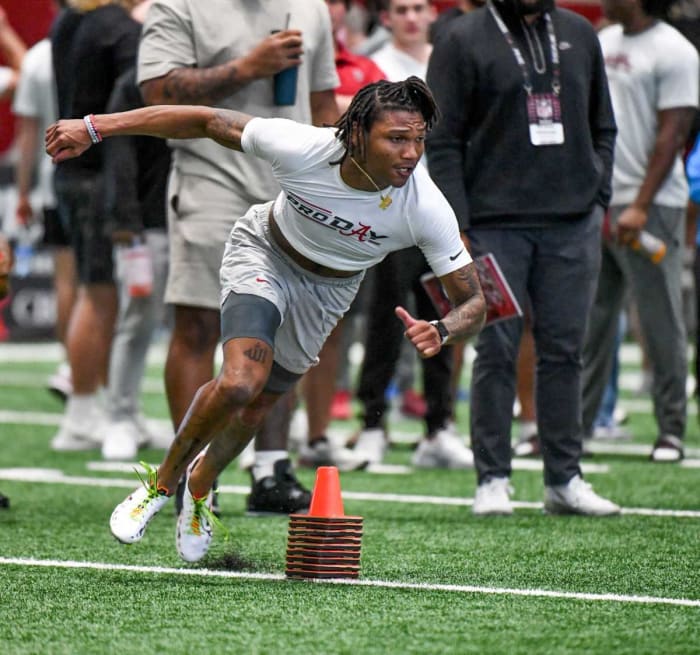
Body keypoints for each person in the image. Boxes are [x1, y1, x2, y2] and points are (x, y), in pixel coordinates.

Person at [46, 77, 487, 562]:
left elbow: (474, 302)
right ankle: (162, 484)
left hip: (330, 290)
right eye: (397, 139)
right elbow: (203, 118)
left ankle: (200, 485)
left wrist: (443, 329)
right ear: (358, 133)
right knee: (239, 383)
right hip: (265, 253)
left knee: (260, 407)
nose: (411, 153)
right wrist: (93, 127)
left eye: (419, 139)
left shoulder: (424, 206)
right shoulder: (303, 146)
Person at [137, 0, 339, 514]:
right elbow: (155, 95)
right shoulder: (178, 5)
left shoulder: (310, 7)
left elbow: (322, 105)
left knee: (283, 331)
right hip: (212, 179)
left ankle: (270, 467)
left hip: (292, 188)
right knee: (200, 324)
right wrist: (246, 69)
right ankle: (188, 470)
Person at [427, 0, 621, 516]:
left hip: (572, 222)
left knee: (564, 351)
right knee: (496, 348)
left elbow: (604, 126)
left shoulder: (580, 33)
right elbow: (440, 141)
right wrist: (458, 228)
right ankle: (492, 478)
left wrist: (595, 194)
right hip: (492, 226)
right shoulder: (462, 38)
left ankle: (564, 478)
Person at [351, 0, 475, 470]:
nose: (409, 16)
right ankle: (372, 424)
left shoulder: (448, 61)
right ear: (386, 18)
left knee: (444, 313)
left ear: (431, 15)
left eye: (418, 8)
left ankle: (439, 426)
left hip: (440, 208)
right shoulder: (373, 65)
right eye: (400, 9)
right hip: (387, 208)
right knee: (385, 316)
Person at [581, 0, 699, 463]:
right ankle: (581, 425)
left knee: (660, 318)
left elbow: (673, 135)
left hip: (652, 206)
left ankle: (670, 430)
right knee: (592, 319)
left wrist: (642, 204)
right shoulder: (601, 42)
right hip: (600, 202)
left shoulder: (676, 51)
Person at [295, 0, 386, 470]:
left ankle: (315, 436)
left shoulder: (366, 68)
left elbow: (384, 131)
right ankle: (261, 439)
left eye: (336, 2)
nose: (327, 10)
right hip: (283, 204)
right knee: (264, 323)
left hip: (343, 218)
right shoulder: (280, 51)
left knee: (331, 328)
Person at [49, 0, 142, 451]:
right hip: (98, 176)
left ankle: (96, 406)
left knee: (95, 290)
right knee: (100, 293)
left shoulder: (71, 18)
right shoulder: (119, 28)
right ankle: (83, 412)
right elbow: (132, 102)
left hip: (73, 171)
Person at [12, 2, 77, 405]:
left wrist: (23, 191)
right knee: (103, 290)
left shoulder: (37, 57)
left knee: (68, 281)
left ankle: (72, 366)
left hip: (56, 184)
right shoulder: (116, 38)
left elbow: (27, 135)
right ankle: (88, 372)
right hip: (103, 182)